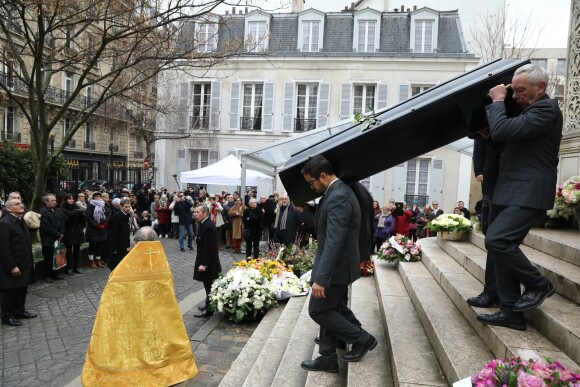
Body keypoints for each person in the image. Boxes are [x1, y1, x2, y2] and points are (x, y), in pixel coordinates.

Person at [476, 64, 562, 331]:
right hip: (510, 189)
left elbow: (503, 130)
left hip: (528, 192)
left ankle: (539, 284)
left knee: (498, 240)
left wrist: (498, 101)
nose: (515, 96)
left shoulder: (546, 109)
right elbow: (504, 140)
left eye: (520, 90)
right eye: (513, 91)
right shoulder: (528, 111)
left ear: (541, 87)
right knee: (499, 248)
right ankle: (511, 312)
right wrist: (485, 134)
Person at [81, 231, 198, 385]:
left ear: (137, 244)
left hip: (134, 319)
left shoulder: (123, 269)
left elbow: (113, 296)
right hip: (159, 316)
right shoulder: (161, 263)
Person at [300, 155, 376, 373]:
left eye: (312, 182)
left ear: (323, 176)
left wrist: (322, 278)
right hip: (338, 266)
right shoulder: (336, 192)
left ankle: (362, 338)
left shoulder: (338, 196)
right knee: (334, 308)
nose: (311, 187)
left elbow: (335, 241)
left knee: (319, 310)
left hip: (336, 268)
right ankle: (328, 356)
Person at [0, 198, 37, 326]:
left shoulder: (22, 221)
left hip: (24, 263)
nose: (21, 205)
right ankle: (6, 316)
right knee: (9, 291)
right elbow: (3, 248)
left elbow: (26, 244)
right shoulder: (5, 223)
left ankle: (19, 311)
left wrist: (30, 261)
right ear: (9, 209)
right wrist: (12, 266)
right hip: (13, 265)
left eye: (21, 203)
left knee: (22, 289)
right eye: (17, 204)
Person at [193, 205, 222, 318]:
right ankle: (208, 305)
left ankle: (209, 310)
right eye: (195, 212)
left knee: (209, 286)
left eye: (198, 212)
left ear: (205, 213)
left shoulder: (208, 226)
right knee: (207, 285)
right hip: (205, 260)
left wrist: (204, 264)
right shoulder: (204, 224)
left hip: (208, 263)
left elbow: (209, 248)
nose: (195, 214)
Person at [40, 194, 65, 282]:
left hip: (58, 238)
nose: (54, 202)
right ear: (46, 202)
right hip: (48, 239)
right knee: (48, 258)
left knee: (56, 257)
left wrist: (61, 233)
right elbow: (47, 226)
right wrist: (57, 235)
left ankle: (55, 274)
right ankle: (47, 275)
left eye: (55, 200)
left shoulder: (58, 210)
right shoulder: (43, 212)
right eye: (52, 201)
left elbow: (62, 222)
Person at [59, 193, 86, 275]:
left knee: (77, 250)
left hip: (77, 232)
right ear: (66, 200)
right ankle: (68, 269)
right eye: (69, 199)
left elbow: (82, 221)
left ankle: (76, 267)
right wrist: (73, 213)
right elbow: (66, 221)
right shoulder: (62, 209)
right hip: (69, 232)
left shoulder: (76, 207)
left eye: (72, 198)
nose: (71, 200)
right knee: (69, 251)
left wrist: (82, 215)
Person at [85, 192, 110, 269]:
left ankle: (98, 260)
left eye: (99, 196)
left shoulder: (103, 205)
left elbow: (108, 214)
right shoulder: (90, 206)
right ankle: (91, 261)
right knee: (92, 245)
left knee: (100, 245)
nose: (98, 197)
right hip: (93, 229)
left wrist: (105, 224)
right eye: (96, 196)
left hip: (102, 229)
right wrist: (97, 225)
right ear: (93, 198)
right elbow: (88, 218)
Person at [107, 198, 132, 271]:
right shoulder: (116, 217)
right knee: (116, 265)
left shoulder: (126, 216)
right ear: (121, 206)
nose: (127, 208)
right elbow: (112, 233)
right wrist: (114, 248)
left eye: (129, 207)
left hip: (124, 245)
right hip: (118, 246)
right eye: (126, 207)